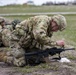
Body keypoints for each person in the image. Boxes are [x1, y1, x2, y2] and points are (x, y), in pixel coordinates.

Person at [0, 14, 67, 67]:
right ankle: (3, 57)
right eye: (57, 27)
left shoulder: (49, 30)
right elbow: (39, 36)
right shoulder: (43, 20)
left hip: (27, 43)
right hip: (16, 40)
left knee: (39, 58)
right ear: (54, 21)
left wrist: (49, 50)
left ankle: (16, 53)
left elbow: (41, 43)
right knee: (21, 63)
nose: (56, 30)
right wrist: (56, 43)